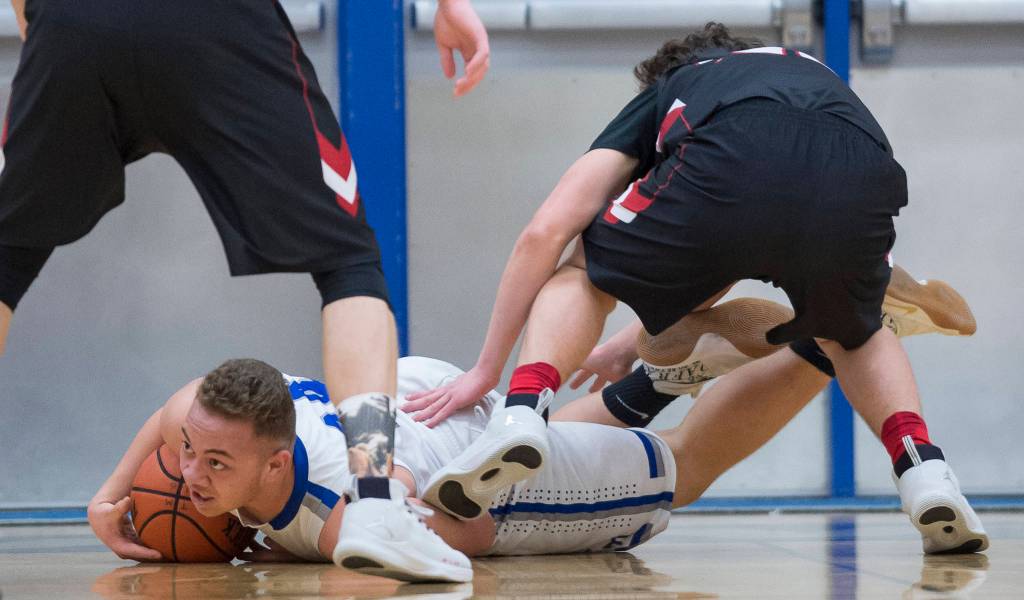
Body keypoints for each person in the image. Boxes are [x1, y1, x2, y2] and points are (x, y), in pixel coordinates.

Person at [402, 23, 987, 555]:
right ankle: (923, 470)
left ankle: (527, 409)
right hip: (858, 171)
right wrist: (628, 342)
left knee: (583, 269)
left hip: (724, 176)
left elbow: (545, 231)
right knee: (852, 333)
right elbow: (743, 225)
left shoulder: (675, 88)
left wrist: (488, 372)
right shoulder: (804, 70)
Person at [1, 0, 489, 580]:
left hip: (71, 20)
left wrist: (46, 28)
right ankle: (376, 502)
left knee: (7, 259)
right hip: (217, 20)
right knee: (347, 260)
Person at [90, 289, 986, 575]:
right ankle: (668, 362)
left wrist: (292, 551)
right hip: (420, 399)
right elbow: (178, 405)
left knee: (677, 470)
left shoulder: (334, 511)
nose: (188, 476)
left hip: (471, 480)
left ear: (275, 459)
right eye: (190, 460)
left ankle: (846, 333)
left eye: (214, 465)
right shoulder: (232, 412)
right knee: (566, 434)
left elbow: (468, 536)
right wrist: (113, 488)